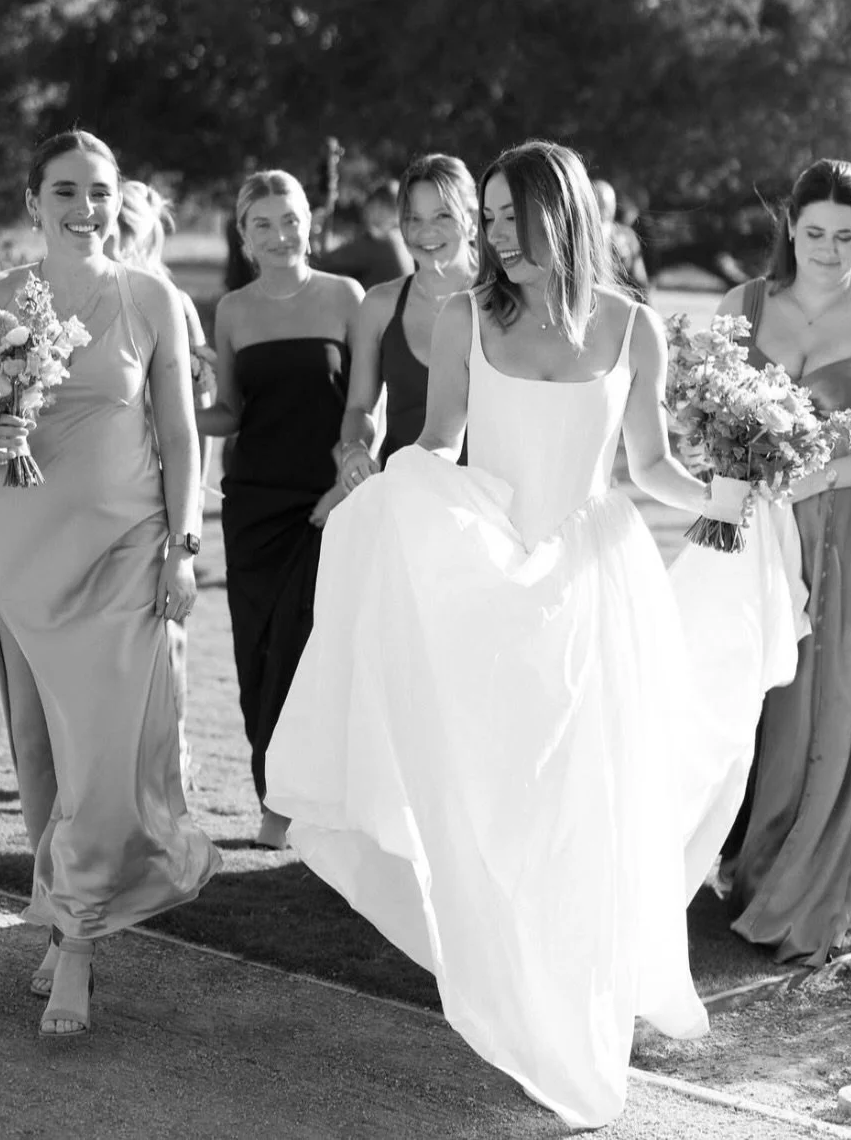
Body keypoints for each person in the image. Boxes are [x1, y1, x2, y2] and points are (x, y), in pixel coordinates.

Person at [265, 140, 789, 1127]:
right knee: (508, 801)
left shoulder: (633, 328)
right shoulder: (467, 317)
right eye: (490, 216)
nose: (490, 235)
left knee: (591, 804)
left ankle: (577, 1011)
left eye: (508, 216)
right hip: (496, 581)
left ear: (559, 217)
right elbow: (441, 443)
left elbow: (649, 468)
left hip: (599, 583)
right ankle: (517, 990)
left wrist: (731, 489)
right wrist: (384, 488)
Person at [0, 130, 221, 1039]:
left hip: (128, 553)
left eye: (99, 192)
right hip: (27, 557)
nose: (84, 208)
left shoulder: (152, 297)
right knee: (42, 756)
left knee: (106, 761)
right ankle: (63, 911)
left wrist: (182, 547)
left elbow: (182, 438)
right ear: (33, 203)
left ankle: (79, 949)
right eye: (64, 191)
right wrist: (4, 431)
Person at [715, 158, 851, 967]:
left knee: (823, 704)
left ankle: (796, 890)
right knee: (747, 692)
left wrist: (827, 473)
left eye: (848, 236)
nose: (832, 250)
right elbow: (706, 421)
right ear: (791, 230)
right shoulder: (742, 306)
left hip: (841, 534)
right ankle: (736, 859)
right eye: (815, 234)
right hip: (752, 530)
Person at [196, 171, 361, 850]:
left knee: (310, 650)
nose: (279, 234)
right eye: (261, 223)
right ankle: (271, 796)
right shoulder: (233, 310)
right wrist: (168, 395)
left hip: (328, 503)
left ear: (310, 223)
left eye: (289, 219)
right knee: (256, 649)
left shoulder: (346, 297)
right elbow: (230, 412)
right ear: (243, 235)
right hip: (254, 504)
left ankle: (310, 802)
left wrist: (347, 482)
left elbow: (365, 403)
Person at [104, 179, 213, 794]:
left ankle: (171, 749)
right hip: (102, 485)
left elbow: (194, 417)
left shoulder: (168, 299)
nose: (115, 235)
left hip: (160, 487)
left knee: (166, 628)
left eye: (126, 226)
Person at [336, 154, 477, 493]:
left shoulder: (502, 300)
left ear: (472, 219)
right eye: (413, 218)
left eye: (442, 215)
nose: (425, 232)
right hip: (404, 498)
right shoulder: (380, 305)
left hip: (489, 503)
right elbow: (359, 408)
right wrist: (354, 449)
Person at [312, 181, 413, 290]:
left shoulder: (378, 240)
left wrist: (312, 232)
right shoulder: (403, 244)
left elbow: (322, 264)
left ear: (378, 206)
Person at [593, 177, 649, 300]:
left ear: (613, 206)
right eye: (598, 205)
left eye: (605, 206)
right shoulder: (576, 237)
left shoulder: (626, 236)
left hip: (620, 303)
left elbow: (639, 280)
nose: (602, 212)